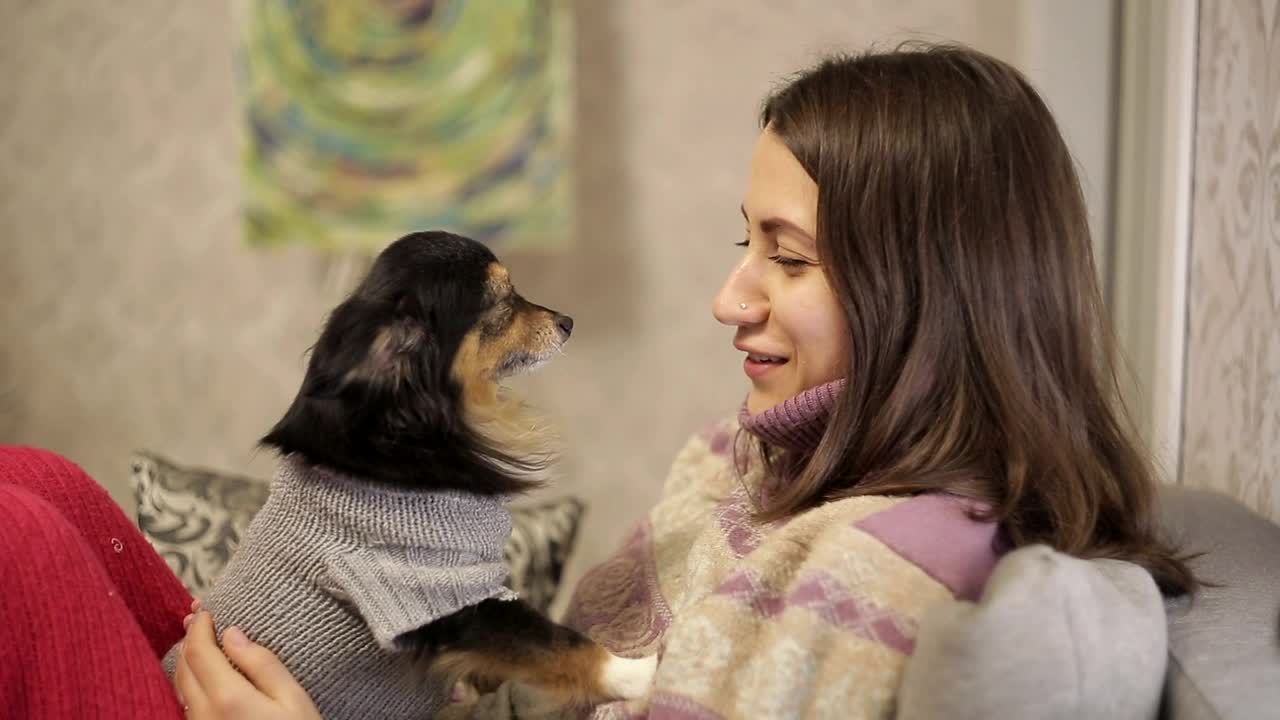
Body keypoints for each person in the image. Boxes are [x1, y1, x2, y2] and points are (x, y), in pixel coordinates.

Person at [2, 43, 1194, 719]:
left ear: (938, 293)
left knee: (17, 546)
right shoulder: (755, 465)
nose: (728, 297)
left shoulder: (870, 572)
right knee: (34, 478)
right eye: (745, 245)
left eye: (784, 257)